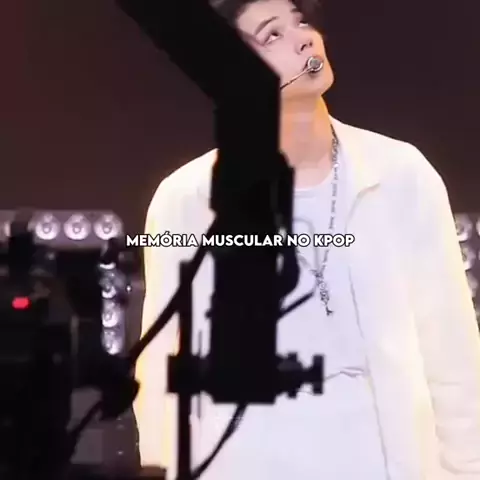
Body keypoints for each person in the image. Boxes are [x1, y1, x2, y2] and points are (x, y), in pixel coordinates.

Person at [134, 0, 480, 478]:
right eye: (272, 35)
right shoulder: (187, 199)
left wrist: (467, 468)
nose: (304, 38)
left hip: (384, 458)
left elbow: (451, 346)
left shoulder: (401, 173)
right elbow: (161, 367)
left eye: (300, 22)